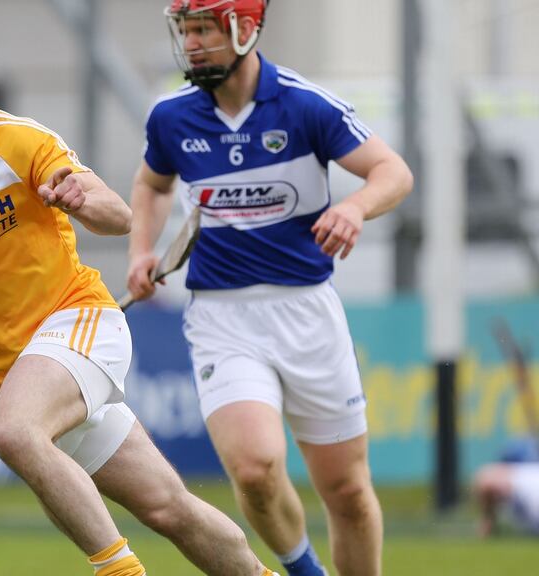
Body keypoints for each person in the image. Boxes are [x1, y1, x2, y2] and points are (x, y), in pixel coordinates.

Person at [0, 10, 279, 576]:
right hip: (19, 370)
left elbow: (120, 216)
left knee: (11, 431)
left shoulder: (16, 139)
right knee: (168, 507)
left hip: (78, 323)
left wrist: (80, 199)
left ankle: (119, 571)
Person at [125, 2, 413, 575]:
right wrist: (141, 250)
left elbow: (393, 173)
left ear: (246, 29)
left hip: (306, 312)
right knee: (255, 470)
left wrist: (355, 207)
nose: (193, 42)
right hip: (221, 317)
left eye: (205, 28)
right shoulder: (172, 117)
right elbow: (153, 185)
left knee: (349, 492)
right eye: (186, 30)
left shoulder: (305, 105)